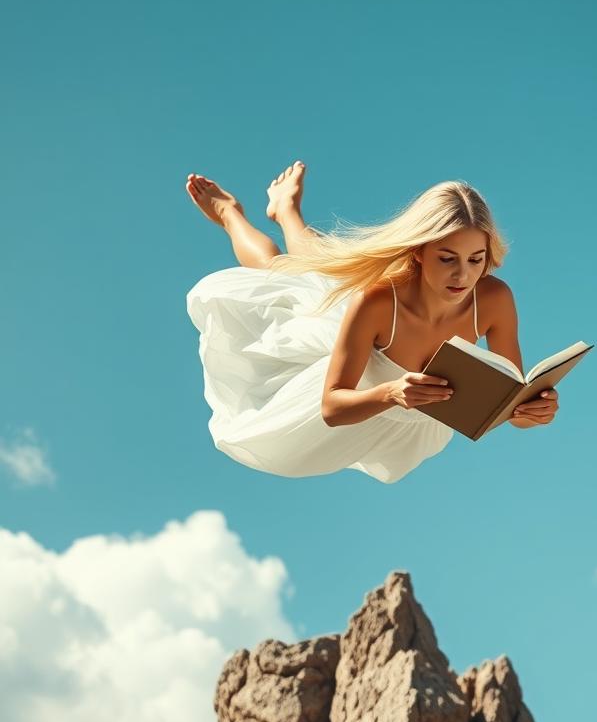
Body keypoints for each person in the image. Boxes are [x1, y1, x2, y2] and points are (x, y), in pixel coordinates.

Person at [184, 162, 558, 482]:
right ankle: (233, 213)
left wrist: (534, 411)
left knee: (316, 267)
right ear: (418, 251)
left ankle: (286, 213)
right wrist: (392, 393)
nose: (463, 276)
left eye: (476, 260)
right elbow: (331, 407)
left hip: (416, 424)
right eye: (447, 258)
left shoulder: (494, 300)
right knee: (283, 272)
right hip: (355, 373)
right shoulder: (376, 302)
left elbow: (510, 406)